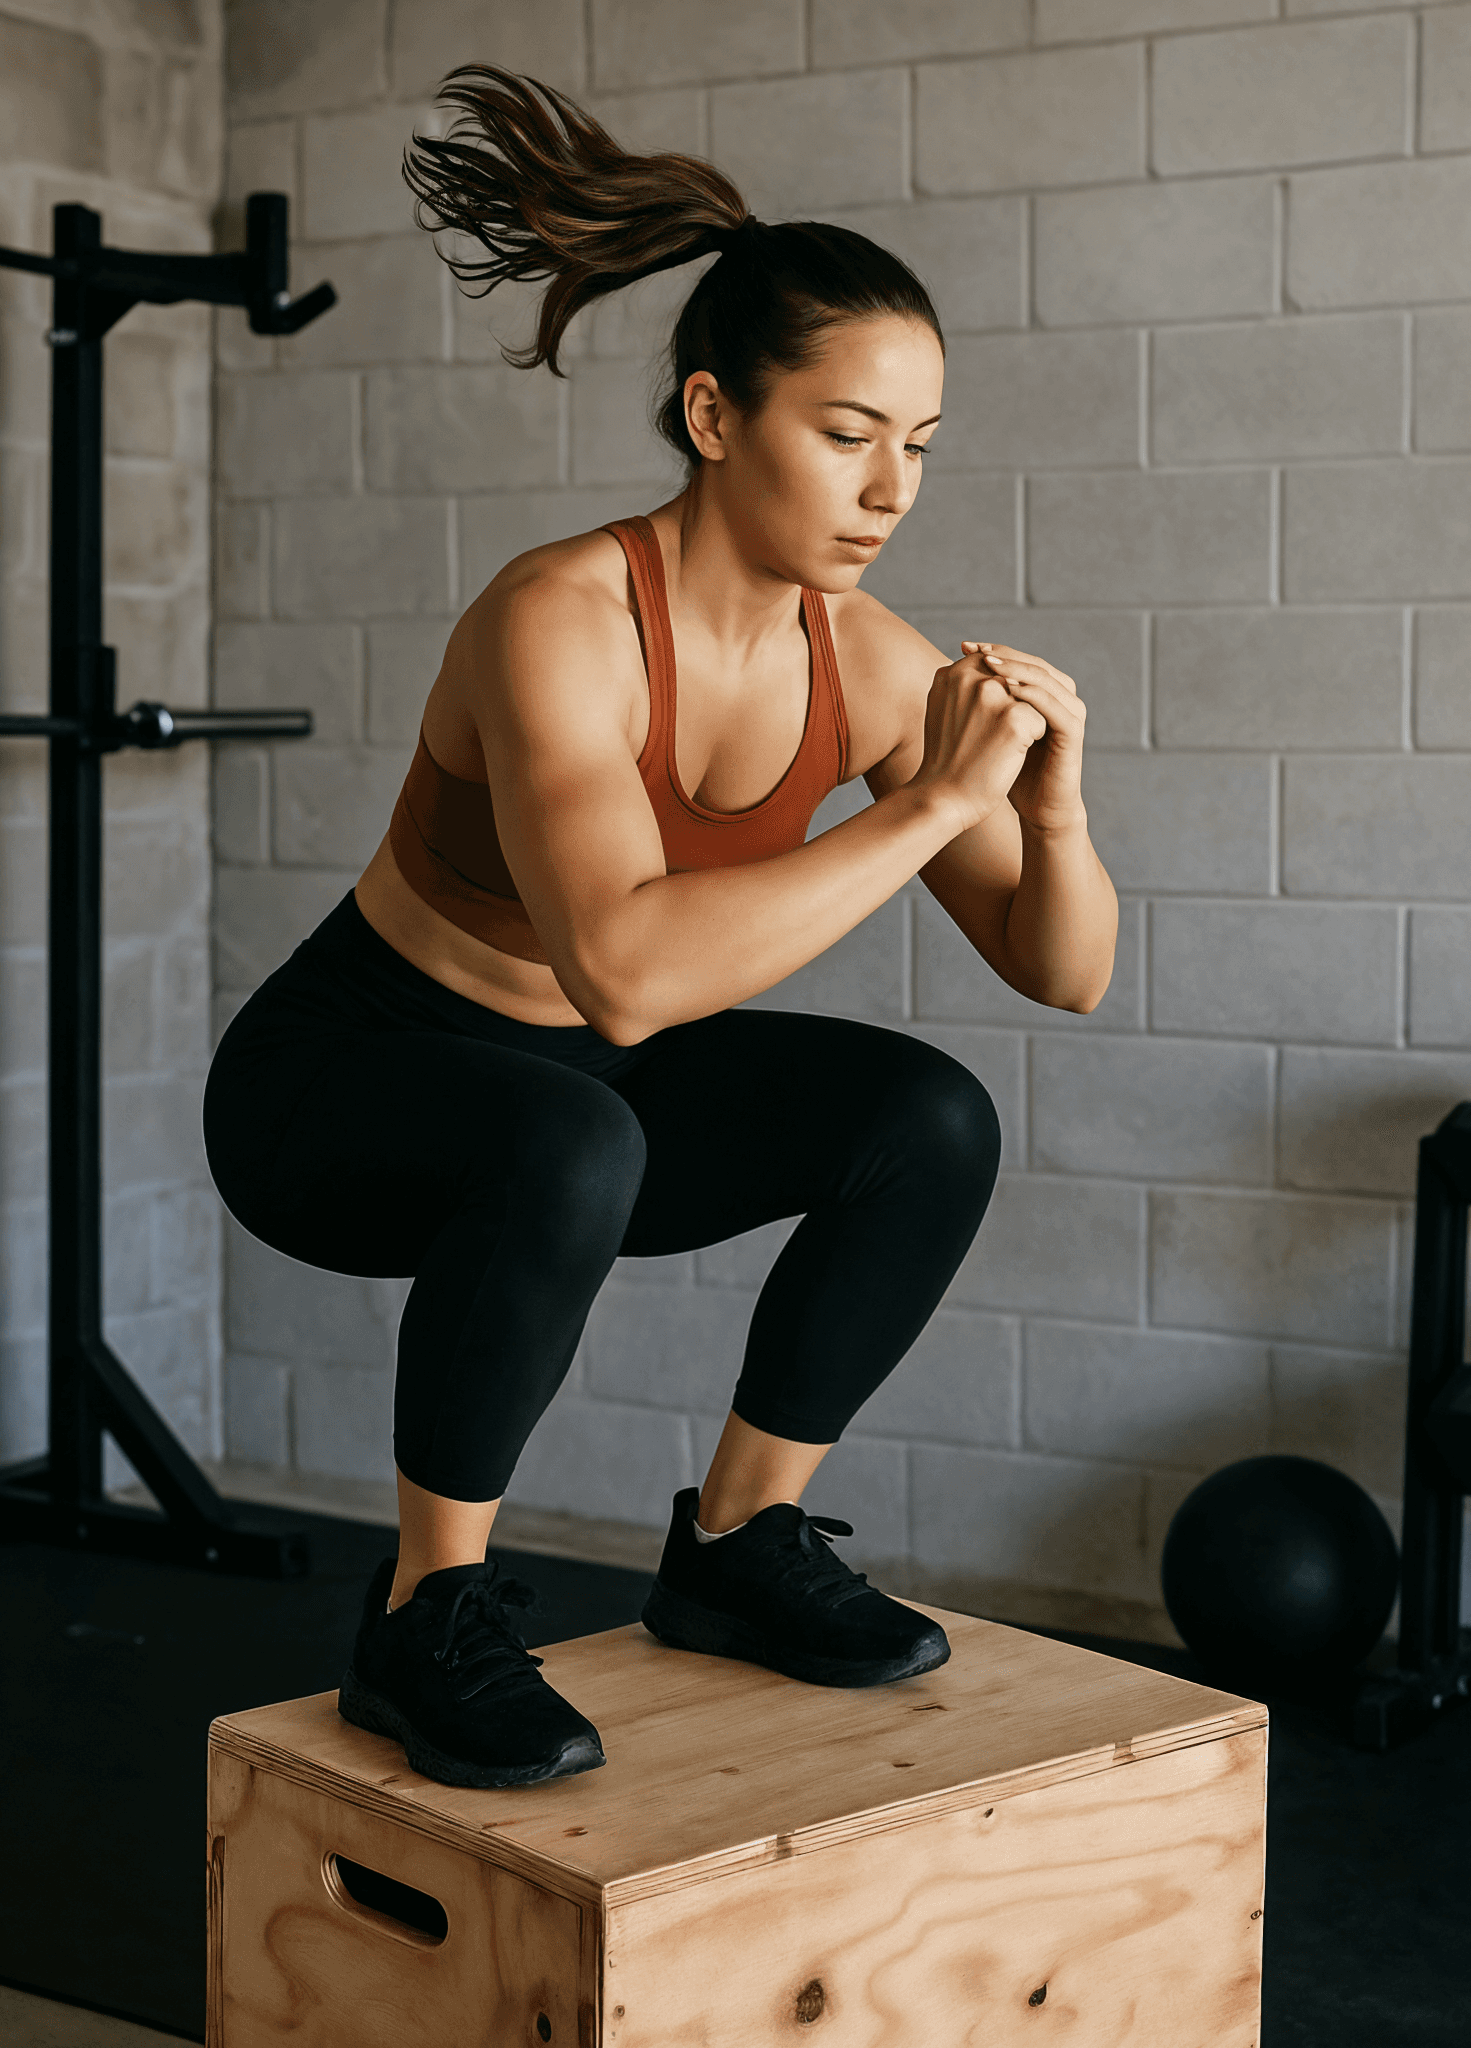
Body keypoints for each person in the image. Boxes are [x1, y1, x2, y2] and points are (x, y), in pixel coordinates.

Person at [200, 65, 1118, 1790]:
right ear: (714, 416)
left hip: (578, 1104)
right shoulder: (561, 618)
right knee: (567, 1133)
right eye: (845, 434)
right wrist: (922, 807)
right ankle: (425, 1615)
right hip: (343, 1087)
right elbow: (624, 976)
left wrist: (1049, 805)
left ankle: (740, 1550)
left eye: (917, 446)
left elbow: (1067, 969)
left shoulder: (867, 663)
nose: (889, 488)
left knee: (929, 1118)